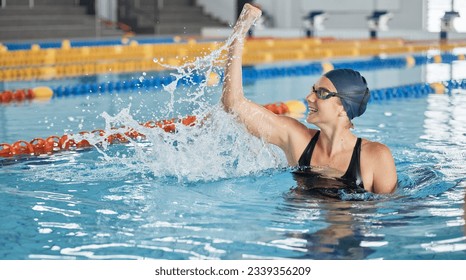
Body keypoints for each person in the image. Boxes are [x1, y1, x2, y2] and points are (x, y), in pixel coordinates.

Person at [222, 4, 397, 194]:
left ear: (343, 108)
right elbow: (233, 104)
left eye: (321, 93)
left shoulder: (375, 156)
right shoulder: (297, 139)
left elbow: (392, 213)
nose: (309, 98)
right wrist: (239, 35)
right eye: (313, 90)